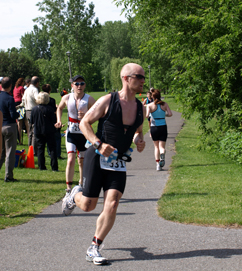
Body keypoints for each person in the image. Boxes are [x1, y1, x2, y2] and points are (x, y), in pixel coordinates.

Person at [62, 63, 146, 265]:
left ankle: (94, 247)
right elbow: (84, 123)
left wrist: (139, 140)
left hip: (118, 162)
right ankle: (75, 195)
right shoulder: (108, 100)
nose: (143, 80)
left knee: (113, 203)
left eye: (144, 77)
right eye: (139, 76)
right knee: (89, 205)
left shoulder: (139, 107)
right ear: (126, 78)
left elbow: (138, 130)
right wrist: (98, 144)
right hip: (97, 157)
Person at [55, 75, 95, 194]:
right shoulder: (67, 98)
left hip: (84, 134)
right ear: (72, 86)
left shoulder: (89, 99)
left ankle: (81, 184)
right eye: (77, 84)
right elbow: (59, 108)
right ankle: (68, 188)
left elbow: (99, 114)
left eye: (82, 84)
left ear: (85, 85)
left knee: (81, 161)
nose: (79, 86)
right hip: (71, 133)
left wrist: (87, 117)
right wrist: (59, 120)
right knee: (71, 159)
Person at [30, 92, 58, 171]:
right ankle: (54, 167)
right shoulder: (50, 109)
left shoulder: (34, 109)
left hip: (38, 131)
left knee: (40, 149)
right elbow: (54, 120)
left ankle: (41, 166)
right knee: (52, 149)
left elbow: (32, 121)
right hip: (49, 130)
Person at [146, 89, 172, 171]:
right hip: (163, 127)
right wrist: (164, 115)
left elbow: (147, 116)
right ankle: (162, 155)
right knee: (162, 146)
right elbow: (170, 114)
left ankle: (158, 164)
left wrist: (151, 114)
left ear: (152, 97)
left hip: (154, 127)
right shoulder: (164, 104)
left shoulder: (150, 105)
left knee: (156, 146)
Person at [0, 77, 19, 182]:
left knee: (1, 152)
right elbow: (13, 115)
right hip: (9, 126)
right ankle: (8, 175)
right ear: (10, 86)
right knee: (10, 152)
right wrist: (18, 113)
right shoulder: (9, 98)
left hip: (0, 125)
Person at [42, 84, 63, 159]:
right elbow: (54, 111)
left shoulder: (40, 101)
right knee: (56, 138)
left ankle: (49, 153)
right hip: (52, 120)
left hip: (44, 121)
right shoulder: (52, 100)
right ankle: (57, 153)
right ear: (50, 90)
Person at [22, 76, 40, 156]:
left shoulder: (27, 89)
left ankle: (30, 148)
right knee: (34, 131)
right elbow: (37, 99)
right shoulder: (34, 89)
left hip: (27, 110)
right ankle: (34, 151)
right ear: (37, 83)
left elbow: (23, 100)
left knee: (30, 131)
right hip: (34, 110)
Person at [13, 77, 29, 145]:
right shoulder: (21, 88)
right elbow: (24, 97)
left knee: (19, 124)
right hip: (21, 104)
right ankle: (29, 139)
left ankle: (19, 140)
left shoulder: (15, 88)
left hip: (15, 104)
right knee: (26, 122)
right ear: (22, 82)